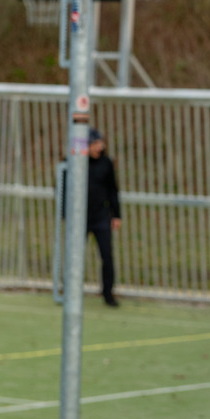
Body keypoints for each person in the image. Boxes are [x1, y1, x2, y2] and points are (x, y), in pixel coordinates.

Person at [87, 128, 122, 307]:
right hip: (81, 220)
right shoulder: (76, 163)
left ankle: (108, 294)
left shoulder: (106, 163)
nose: (99, 147)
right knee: (74, 256)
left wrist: (116, 214)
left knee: (106, 256)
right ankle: (70, 290)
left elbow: (112, 190)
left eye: (100, 143)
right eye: (95, 144)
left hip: (101, 217)